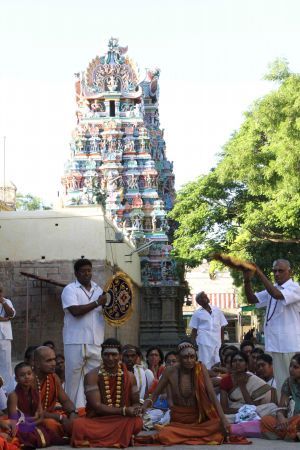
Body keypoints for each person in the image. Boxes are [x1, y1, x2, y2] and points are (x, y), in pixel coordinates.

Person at [138, 341, 232, 446]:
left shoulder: (201, 369)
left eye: (192, 357)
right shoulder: (169, 371)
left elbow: (211, 395)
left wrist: (223, 419)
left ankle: (186, 435)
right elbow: (155, 395)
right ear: (179, 358)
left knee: (217, 426)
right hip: (179, 421)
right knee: (165, 434)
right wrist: (143, 408)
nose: (189, 360)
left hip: (199, 419)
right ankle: (192, 435)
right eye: (185, 357)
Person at [71, 338, 143, 448]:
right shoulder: (92, 376)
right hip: (98, 421)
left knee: (137, 422)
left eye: (114, 355)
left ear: (120, 356)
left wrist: (135, 410)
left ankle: (112, 437)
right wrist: (124, 410)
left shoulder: (130, 377)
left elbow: (136, 403)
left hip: (121, 420)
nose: (110, 358)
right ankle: (122, 437)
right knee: (78, 425)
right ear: (101, 355)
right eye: (106, 355)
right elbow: (97, 406)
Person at [243, 259, 300, 392]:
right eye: (274, 271)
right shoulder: (273, 288)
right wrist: (247, 280)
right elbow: (252, 299)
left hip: (289, 345)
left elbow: (277, 295)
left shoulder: (295, 287)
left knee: (294, 382)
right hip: (275, 344)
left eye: (280, 271)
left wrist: (259, 272)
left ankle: (294, 411)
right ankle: (285, 409)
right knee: (281, 382)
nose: (276, 274)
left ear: (290, 272)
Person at [61, 258, 108, 408]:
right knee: (73, 378)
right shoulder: (69, 289)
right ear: (76, 273)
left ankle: (91, 409)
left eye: (89, 270)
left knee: (93, 378)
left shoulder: (99, 290)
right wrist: (97, 303)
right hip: (75, 340)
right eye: (83, 271)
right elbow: (75, 311)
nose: (87, 273)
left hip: (95, 340)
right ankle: (72, 411)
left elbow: (106, 311)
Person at [7, 362, 67, 448]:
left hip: (34, 423)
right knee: (22, 433)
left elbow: (41, 416)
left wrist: (33, 423)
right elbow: (13, 419)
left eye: (29, 374)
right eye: (22, 375)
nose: (26, 377)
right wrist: (32, 420)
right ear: (16, 379)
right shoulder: (13, 395)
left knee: (47, 432)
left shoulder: (36, 393)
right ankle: (25, 444)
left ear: (33, 375)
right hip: (19, 425)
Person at [220, 351, 277, 424]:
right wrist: (244, 411)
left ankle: (245, 420)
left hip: (252, 410)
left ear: (246, 365)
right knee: (223, 418)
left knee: (272, 407)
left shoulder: (254, 380)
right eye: (234, 361)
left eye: (241, 360)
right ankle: (248, 420)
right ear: (231, 365)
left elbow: (252, 406)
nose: (237, 363)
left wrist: (242, 387)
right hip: (236, 412)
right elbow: (224, 409)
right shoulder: (225, 381)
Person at [33, 346, 78, 437]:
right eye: (49, 361)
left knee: (83, 412)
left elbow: (65, 401)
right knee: (51, 425)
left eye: (54, 359)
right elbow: (34, 412)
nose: (54, 363)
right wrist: (61, 418)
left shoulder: (53, 377)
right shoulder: (29, 380)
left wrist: (73, 414)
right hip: (33, 418)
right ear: (37, 364)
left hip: (52, 415)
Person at [261, 353, 300, 440]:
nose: (291, 369)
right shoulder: (288, 382)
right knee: (266, 420)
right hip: (292, 421)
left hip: (297, 420)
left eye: (296, 367)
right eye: (290, 366)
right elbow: (281, 406)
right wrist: (281, 417)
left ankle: (291, 434)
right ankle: (293, 434)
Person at [190, 291, 228, 369]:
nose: (206, 298)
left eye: (206, 296)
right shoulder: (197, 313)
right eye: (203, 297)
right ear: (199, 302)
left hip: (217, 341)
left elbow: (222, 326)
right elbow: (194, 330)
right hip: (204, 341)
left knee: (217, 361)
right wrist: (192, 344)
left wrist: (223, 342)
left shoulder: (217, 310)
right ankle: (206, 378)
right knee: (205, 362)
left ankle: (217, 378)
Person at [0, 285, 15, 392]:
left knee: (6, 363)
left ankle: (7, 390)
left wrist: (3, 302)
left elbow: (11, 314)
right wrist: (3, 318)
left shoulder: (7, 301)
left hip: (4, 336)